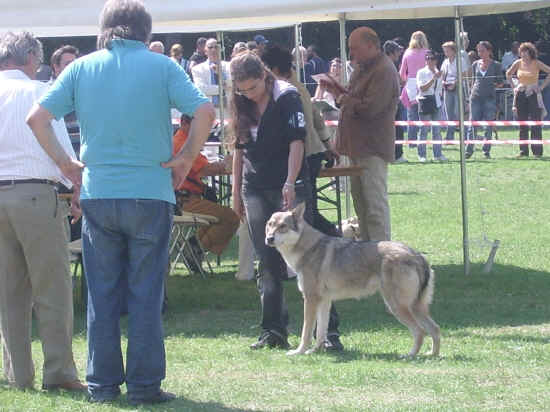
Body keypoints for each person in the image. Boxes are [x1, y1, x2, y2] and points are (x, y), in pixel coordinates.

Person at [27, 0, 215, 405]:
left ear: (105, 29)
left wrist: (66, 164)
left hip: (99, 192)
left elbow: (37, 119)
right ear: (144, 32)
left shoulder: (81, 67)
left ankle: (103, 385)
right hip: (150, 192)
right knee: (146, 294)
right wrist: (185, 159)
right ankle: (145, 387)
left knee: (103, 294)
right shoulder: (162, 66)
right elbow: (204, 111)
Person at [0, 31, 85, 392]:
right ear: (33, 57)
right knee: (52, 290)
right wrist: (77, 187)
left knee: (9, 294)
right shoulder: (38, 93)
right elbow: (62, 152)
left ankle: (18, 375)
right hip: (36, 195)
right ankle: (59, 374)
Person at [261, 44, 344, 350]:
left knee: (312, 250)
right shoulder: (293, 86)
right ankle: (283, 330)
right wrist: (327, 142)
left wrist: (323, 144)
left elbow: (311, 124)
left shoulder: (287, 89)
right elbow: (319, 122)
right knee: (307, 238)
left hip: (302, 162)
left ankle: (329, 333)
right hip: (304, 158)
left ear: (271, 68)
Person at [230, 51, 312, 350]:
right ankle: (273, 332)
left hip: (287, 181)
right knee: (266, 258)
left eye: (252, 87)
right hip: (254, 185)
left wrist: (290, 182)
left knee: (308, 258)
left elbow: (297, 142)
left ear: (265, 75)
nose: (248, 95)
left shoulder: (287, 96)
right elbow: (239, 149)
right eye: (242, 90)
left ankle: (327, 333)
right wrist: (235, 193)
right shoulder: (240, 101)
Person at [321, 26, 399, 242]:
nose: (351, 54)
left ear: (372, 46)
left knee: (374, 206)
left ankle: (383, 254)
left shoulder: (384, 70)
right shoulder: (362, 68)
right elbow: (354, 99)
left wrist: (344, 99)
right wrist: (337, 91)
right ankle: (367, 252)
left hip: (372, 148)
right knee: (361, 205)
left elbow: (371, 108)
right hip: (356, 147)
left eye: (355, 49)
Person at [173, 114, 239, 256]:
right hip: (184, 201)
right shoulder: (183, 144)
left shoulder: (183, 141)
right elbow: (205, 170)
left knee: (222, 216)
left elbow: (201, 169)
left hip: (185, 199)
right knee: (231, 217)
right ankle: (196, 247)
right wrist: (232, 163)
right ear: (184, 123)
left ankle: (194, 247)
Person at [506, 42, 550, 158]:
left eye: (526, 53)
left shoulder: (536, 63)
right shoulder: (517, 63)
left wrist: (541, 87)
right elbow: (508, 74)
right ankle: (523, 151)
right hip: (520, 94)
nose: (524, 56)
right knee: (522, 123)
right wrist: (514, 87)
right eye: (522, 53)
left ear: (531, 53)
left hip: (533, 94)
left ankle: (537, 152)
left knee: (536, 123)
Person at [465, 41, 504, 159]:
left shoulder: (496, 65)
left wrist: (492, 86)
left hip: (489, 99)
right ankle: (469, 150)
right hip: (475, 98)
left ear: (489, 51)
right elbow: (472, 81)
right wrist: (470, 96)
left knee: (488, 126)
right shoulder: (475, 64)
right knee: (473, 124)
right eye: (479, 51)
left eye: (482, 50)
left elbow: (501, 83)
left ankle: (486, 151)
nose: (480, 53)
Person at [416, 50, 447, 162]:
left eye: (432, 59)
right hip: (425, 102)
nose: (429, 61)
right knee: (423, 130)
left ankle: (438, 154)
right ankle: (422, 155)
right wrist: (433, 78)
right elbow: (422, 88)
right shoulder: (421, 72)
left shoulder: (439, 72)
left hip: (437, 103)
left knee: (437, 131)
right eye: (427, 58)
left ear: (436, 61)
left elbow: (439, 90)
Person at [399, 31, 429, 148]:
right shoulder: (427, 53)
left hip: (411, 84)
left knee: (411, 115)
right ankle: (422, 141)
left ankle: (411, 142)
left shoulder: (407, 52)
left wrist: (406, 80)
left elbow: (402, 73)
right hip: (425, 84)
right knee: (424, 114)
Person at [191, 38, 232, 112]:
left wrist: (221, 74)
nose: (213, 50)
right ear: (205, 51)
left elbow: (232, 84)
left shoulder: (229, 66)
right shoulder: (197, 69)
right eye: (210, 47)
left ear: (220, 50)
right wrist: (222, 89)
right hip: (208, 110)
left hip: (227, 109)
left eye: (216, 47)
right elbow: (201, 89)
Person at [383, 40, 407, 163]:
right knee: (396, 130)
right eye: (397, 51)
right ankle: (397, 155)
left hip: (390, 102)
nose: (399, 54)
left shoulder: (386, 64)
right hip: (390, 103)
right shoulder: (387, 65)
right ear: (391, 52)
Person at [440, 41, 468, 141]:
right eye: (444, 51)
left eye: (447, 50)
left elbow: (464, 75)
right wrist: (443, 82)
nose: (445, 53)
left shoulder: (461, 60)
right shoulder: (445, 62)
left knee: (459, 112)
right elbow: (442, 75)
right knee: (449, 113)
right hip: (447, 89)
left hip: (458, 89)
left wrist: (455, 83)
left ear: (453, 50)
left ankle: (464, 136)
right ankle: (449, 137)